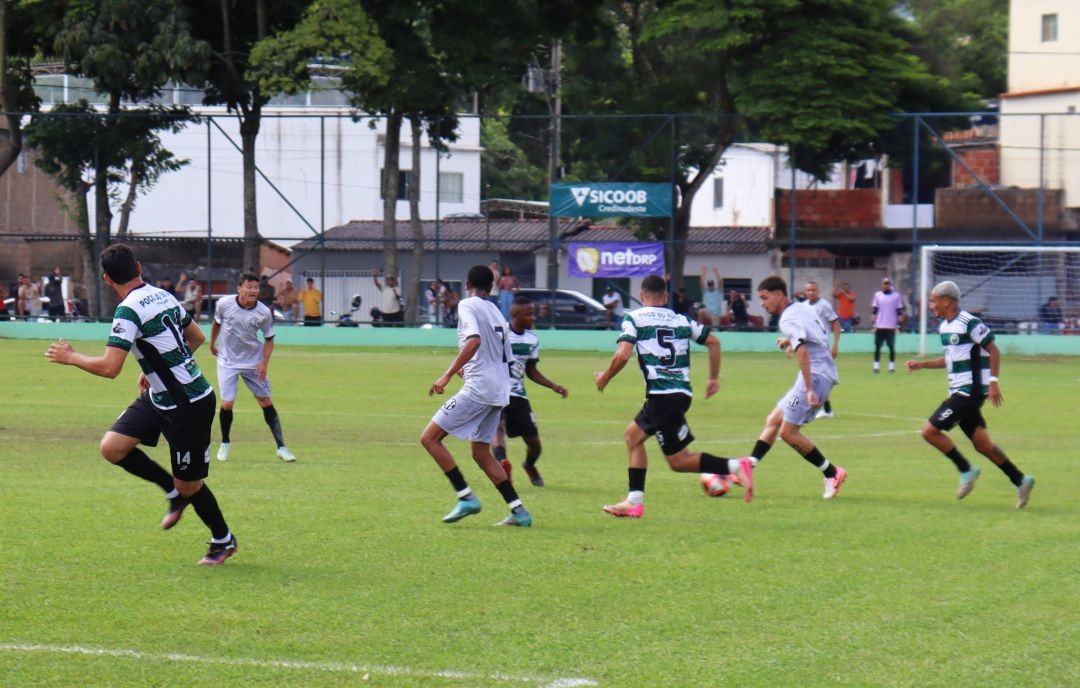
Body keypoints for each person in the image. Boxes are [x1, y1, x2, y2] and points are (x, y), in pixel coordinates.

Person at [44, 243, 236, 565]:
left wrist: (72, 357)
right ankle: (173, 494)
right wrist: (157, 368)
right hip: (160, 397)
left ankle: (223, 539)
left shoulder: (129, 310)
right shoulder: (163, 295)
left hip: (189, 404)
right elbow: (197, 337)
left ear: (106, 279)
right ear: (139, 267)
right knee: (112, 447)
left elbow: (110, 368)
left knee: (190, 485)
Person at [595, 274, 753, 518]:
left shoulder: (634, 318)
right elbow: (714, 342)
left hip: (661, 395)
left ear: (642, 294)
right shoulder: (680, 319)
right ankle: (735, 466)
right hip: (681, 395)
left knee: (632, 437)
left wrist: (604, 377)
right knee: (678, 461)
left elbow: (623, 354)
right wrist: (713, 378)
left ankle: (634, 502)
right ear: (666, 296)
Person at [709, 276, 846, 500]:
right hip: (821, 370)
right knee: (774, 420)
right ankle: (747, 466)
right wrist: (788, 341)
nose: (762, 303)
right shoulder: (802, 307)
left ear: (779, 295)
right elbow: (814, 334)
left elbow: (802, 350)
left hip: (815, 374)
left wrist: (810, 388)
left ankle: (832, 473)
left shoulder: (787, 318)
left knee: (788, 433)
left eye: (765, 298)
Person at [905, 280, 1035, 508]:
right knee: (983, 445)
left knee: (929, 431)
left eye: (933, 301)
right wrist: (922, 365)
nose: (931, 306)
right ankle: (1021, 480)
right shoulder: (945, 327)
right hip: (958, 391)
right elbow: (949, 360)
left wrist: (993, 382)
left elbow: (993, 348)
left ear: (947, 301)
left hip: (970, 392)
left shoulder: (969, 323)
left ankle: (966, 469)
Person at [420, 264, 532, 527]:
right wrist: (469, 368)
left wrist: (448, 373)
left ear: (467, 284)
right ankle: (520, 512)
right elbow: (503, 355)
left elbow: (474, 341)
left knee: (430, 438)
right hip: (500, 388)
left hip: (480, 388)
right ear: (491, 287)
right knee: (481, 453)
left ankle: (466, 497)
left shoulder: (467, 305)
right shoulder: (495, 310)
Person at [211, 272, 296, 463]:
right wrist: (212, 343)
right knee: (227, 404)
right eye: (249, 286)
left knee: (265, 402)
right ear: (239, 288)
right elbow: (217, 323)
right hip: (227, 361)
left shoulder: (264, 312)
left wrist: (264, 363)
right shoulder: (224, 304)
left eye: (256, 287)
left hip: (253, 362)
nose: (253, 291)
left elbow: (269, 339)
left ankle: (282, 447)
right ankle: (225, 443)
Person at [492, 296, 569, 488]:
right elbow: (481, 355)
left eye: (533, 313)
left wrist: (553, 385)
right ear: (514, 314)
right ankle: (502, 464)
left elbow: (531, 370)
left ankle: (529, 465)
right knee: (497, 427)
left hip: (519, 396)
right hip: (495, 391)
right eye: (528, 314)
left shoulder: (532, 339)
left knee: (535, 444)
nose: (533, 317)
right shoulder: (500, 334)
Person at [804, 280, 841, 419]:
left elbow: (836, 325)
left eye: (814, 290)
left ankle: (825, 409)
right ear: (805, 292)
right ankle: (825, 409)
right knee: (812, 379)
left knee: (819, 379)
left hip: (822, 348)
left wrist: (835, 344)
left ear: (818, 291)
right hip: (808, 348)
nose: (811, 292)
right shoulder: (804, 307)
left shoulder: (824, 305)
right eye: (809, 290)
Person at [871, 277, 904, 373]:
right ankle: (876, 367)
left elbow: (899, 312)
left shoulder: (896, 296)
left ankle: (891, 367)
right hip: (880, 325)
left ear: (890, 285)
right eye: (884, 284)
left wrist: (900, 325)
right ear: (882, 285)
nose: (886, 285)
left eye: (888, 284)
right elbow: (874, 311)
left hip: (891, 326)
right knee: (877, 346)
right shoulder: (878, 295)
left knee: (891, 346)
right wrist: (873, 324)